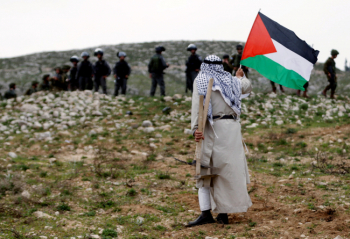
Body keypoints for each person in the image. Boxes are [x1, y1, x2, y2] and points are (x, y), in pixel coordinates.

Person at [188, 55, 252, 227]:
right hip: (231, 130)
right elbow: (246, 86)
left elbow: (197, 106)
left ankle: (206, 213)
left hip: (211, 128)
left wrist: (195, 129)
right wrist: (240, 76)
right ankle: (223, 215)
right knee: (224, 173)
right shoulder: (231, 80)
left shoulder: (201, 79)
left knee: (205, 171)